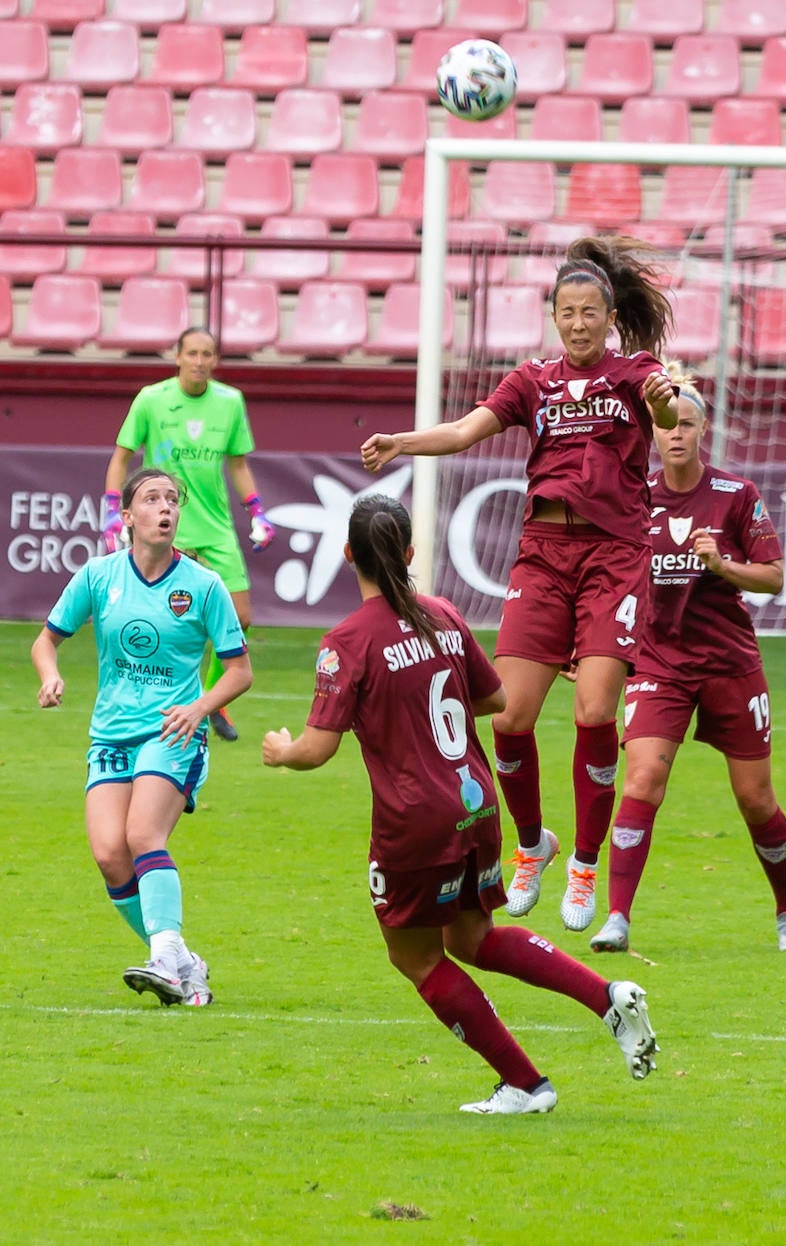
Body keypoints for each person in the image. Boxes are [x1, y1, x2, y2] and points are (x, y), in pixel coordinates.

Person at [261, 493, 658, 1114]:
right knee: (473, 938)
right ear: (412, 554)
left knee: (415, 956)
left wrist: (281, 751)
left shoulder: (346, 641)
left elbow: (317, 749)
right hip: (476, 806)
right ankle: (606, 995)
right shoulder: (442, 613)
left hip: (415, 823)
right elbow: (496, 700)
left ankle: (527, 1085)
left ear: (347, 556)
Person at [361, 236, 678, 935]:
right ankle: (533, 843)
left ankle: (586, 864)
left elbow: (672, 415)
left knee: (596, 711)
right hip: (544, 556)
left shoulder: (636, 373)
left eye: (589, 311)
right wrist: (402, 442)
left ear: (610, 313)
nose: (577, 322)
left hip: (616, 557)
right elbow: (467, 430)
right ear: (554, 315)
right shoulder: (532, 379)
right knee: (507, 716)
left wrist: (666, 401)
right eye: (566, 311)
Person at [590, 363, 786, 955]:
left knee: (755, 799)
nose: (677, 434)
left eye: (688, 424)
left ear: (702, 430)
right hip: (659, 665)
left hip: (731, 665)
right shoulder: (633, 500)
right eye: (669, 426)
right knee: (643, 778)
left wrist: (724, 567)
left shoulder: (737, 496)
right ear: (654, 432)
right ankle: (617, 918)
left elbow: (774, 577)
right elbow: (604, 579)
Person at [32, 467, 253, 1005]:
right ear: (128, 517)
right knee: (110, 854)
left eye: (172, 500)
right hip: (110, 734)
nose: (166, 508)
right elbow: (45, 640)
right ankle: (180, 960)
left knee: (141, 836)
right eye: (152, 499)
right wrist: (50, 675)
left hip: (171, 732)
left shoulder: (204, 586)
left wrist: (199, 708)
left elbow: (239, 671)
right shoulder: (98, 577)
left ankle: (165, 959)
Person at [102, 326, 273, 743]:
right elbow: (122, 456)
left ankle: (215, 697)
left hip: (214, 524)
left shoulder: (230, 402)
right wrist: (112, 512)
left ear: (215, 360)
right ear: (177, 356)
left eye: (208, 354)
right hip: (166, 523)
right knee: (163, 617)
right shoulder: (151, 399)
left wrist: (256, 509)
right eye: (192, 353)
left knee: (242, 617)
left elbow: (237, 463)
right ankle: (159, 697)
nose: (200, 361)